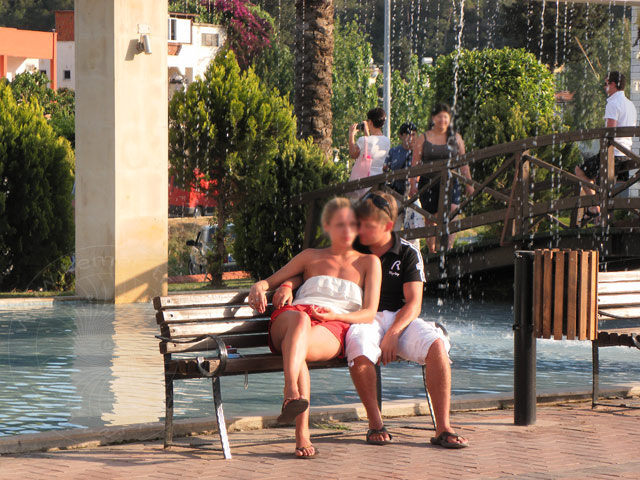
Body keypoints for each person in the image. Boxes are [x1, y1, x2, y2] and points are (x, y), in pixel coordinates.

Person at [273, 192, 469, 449]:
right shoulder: (354, 246)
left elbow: (414, 304)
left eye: (368, 224)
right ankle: (376, 423)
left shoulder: (408, 253)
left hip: (401, 318)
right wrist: (288, 283)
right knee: (360, 349)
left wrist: (394, 333)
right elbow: (317, 268)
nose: (360, 228)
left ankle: (443, 427)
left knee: (437, 345)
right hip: (364, 318)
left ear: (387, 226)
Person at [247, 197, 382, 459]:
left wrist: (335, 314)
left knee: (297, 350)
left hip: (333, 324)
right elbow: (269, 282)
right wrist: (260, 287)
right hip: (292, 317)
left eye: (352, 224)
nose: (347, 230)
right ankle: (291, 392)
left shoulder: (369, 263)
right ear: (328, 227)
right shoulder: (310, 256)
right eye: (340, 224)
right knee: (299, 323)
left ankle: (301, 431)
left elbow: (368, 313)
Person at [409, 104, 474, 253]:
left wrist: (469, 183)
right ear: (433, 118)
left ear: (449, 118)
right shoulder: (423, 138)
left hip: (451, 180)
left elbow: (464, 162)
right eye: (439, 116)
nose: (442, 120)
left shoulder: (456, 138)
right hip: (428, 182)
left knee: (453, 211)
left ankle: (449, 248)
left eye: (445, 117)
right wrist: (413, 184)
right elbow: (415, 164)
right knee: (431, 217)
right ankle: (432, 250)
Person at [575, 71, 637, 221]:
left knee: (580, 171)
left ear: (613, 85)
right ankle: (604, 216)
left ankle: (594, 208)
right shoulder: (630, 105)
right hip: (626, 153)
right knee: (606, 185)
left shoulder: (613, 103)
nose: (604, 87)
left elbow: (610, 132)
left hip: (613, 154)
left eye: (606, 84)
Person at [348, 107, 391, 198]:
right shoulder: (387, 141)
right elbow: (370, 148)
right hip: (377, 184)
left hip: (362, 184)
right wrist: (367, 133)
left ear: (370, 122)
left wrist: (351, 135)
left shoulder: (363, 140)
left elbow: (353, 154)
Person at [383, 122, 418, 196]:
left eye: (413, 135)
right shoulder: (394, 151)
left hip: (414, 190)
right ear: (401, 136)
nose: (411, 138)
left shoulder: (420, 152)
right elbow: (384, 169)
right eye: (408, 135)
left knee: (417, 207)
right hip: (395, 190)